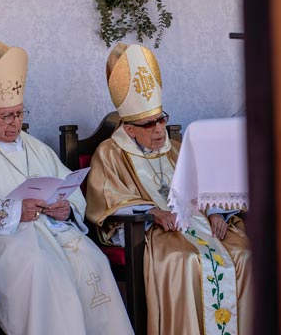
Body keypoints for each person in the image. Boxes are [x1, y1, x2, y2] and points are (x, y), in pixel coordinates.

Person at [0, 39, 134, 335]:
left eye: (19, 114)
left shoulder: (36, 147)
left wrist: (66, 209)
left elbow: (69, 188)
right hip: (4, 241)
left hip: (54, 230)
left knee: (94, 262)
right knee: (45, 272)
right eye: (6, 116)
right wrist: (15, 211)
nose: (15, 123)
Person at [85, 43, 252, 335]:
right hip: (155, 232)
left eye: (162, 119)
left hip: (200, 224)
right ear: (129, 128)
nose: (159, 130)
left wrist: (215, 212)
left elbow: (207, 184)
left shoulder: (176, 147)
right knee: (185, 262)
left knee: (247, 254)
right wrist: (153, 212)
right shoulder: (109, 152)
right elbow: (106, 201)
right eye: (149, 124)